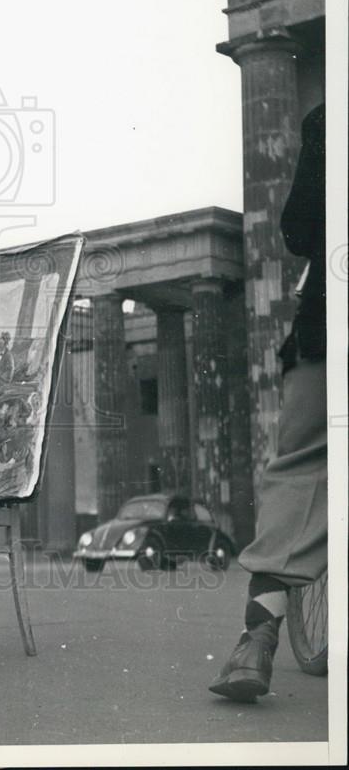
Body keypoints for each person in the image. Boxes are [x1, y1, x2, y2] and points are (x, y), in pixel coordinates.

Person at [209, 102, 326, 702]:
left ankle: (257, 642)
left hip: (332, 332)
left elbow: (301, 229)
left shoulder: (330, 117)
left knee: (302, 471)